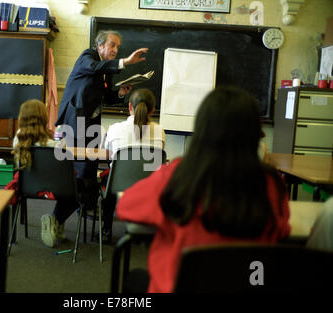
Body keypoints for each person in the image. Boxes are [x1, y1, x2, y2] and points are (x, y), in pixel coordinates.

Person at [116, 86, 291, 293]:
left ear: (201, 129)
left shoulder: (177, 176)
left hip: (180, 286)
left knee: (135, 279)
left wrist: (165, 223)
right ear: (255, 134)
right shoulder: (271, 184)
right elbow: (282, 230)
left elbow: (126, 205)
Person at [55, 30, 149, 219]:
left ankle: (87, 207)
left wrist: (121, 93)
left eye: (117, 47)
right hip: (76, 117)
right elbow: (94, 67)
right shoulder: (87, 56)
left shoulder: (106, 69)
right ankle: (60, 214)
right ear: (100, 46)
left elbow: (105, 96)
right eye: (112, 45)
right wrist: (126, 62)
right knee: (81, 166)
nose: (115, 49)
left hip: (91, 119)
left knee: (91, 164)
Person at [7, 99, 74, 248]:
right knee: (76, 189)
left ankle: (56, 224)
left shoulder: (18, 139)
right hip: (55, 188)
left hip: (26, 188)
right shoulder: (54, 145)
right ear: (43, 118)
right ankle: (56, 220)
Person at [101, 88, 166, 242]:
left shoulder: (115, 129)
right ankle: (144, 228)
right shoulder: (160, 131)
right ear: (153, 110)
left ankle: (106, 231)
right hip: (149, 185)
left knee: (108, 179)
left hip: (117, 184)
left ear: (129, 106)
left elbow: (108, 155)